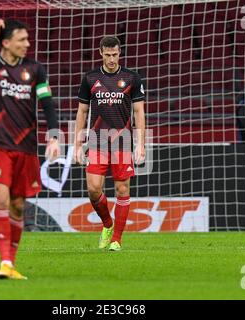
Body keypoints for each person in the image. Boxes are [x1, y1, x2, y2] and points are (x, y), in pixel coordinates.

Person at [0, 18, 60, 279]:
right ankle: (4, 262)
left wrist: (53, 136)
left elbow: (48, 104)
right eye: (21, 40)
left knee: (18, 206)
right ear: (6, 43)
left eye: (28, 39)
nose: (27, 44)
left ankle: (11, 262)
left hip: (27, 148)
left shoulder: (36, 69)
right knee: (1, 199)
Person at [74, 36, 146, 251]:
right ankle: (107, 224)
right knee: (94, 190)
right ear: (100, 53)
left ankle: (116, 239)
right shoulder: (90, 78)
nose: (112, 59)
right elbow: (82, 111)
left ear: (120, 53)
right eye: (107, 55)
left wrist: (141, 144)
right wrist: (78, 144)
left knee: (122, 189)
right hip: (97, 141)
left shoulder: (132, 77)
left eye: (115, 55)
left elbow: (139, 111)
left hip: (123, 141)